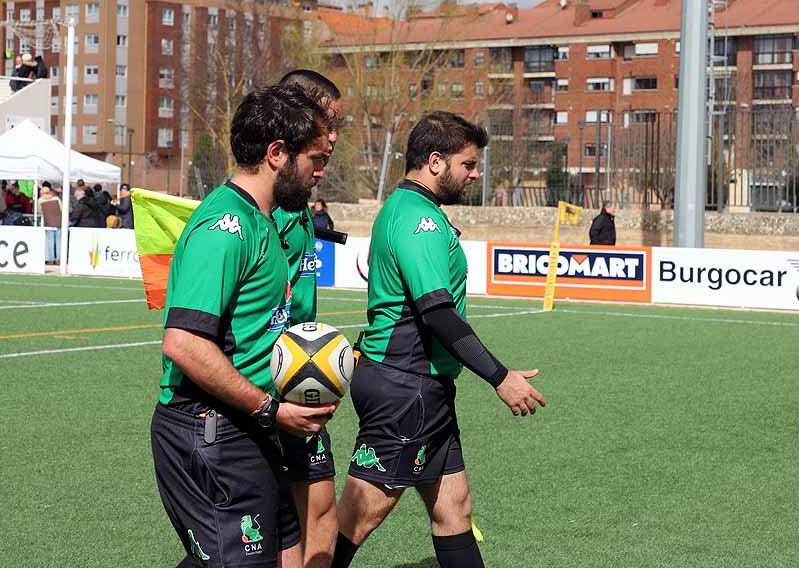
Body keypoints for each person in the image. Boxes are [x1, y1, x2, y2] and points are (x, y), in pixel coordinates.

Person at [332, 111, 546, 568]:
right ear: (435, 161)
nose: (474, 174)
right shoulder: (417, 219)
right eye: (468, 165)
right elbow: (438, 314)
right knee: (358, 517)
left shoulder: (418, 212)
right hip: (404, 386)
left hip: (425, 388)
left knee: (454, 509)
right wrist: (499, 377)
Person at [150, 83, 334, 568]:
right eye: (314, 158)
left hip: (249, 428)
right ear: (277, 154)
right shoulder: (224, 227)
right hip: (207, 430)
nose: (321, 170)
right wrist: (271, 409)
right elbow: (184, 343)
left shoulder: (267, 221)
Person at [275, 69, 343, 568]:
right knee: (266, 536)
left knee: (320, 516)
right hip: (265, 392)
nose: (335, 136)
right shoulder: (266, 205)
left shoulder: (299, 203)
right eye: (328, 122)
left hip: (303, 383)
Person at [39, 185, 63, 263]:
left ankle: (51, 258)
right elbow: (62, 209)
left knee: (50, 241)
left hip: (48, 222)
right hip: (59, 222)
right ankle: (59, 258)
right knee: (59, 241)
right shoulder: (57, 199)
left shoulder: (40, 200)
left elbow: (40, 212)